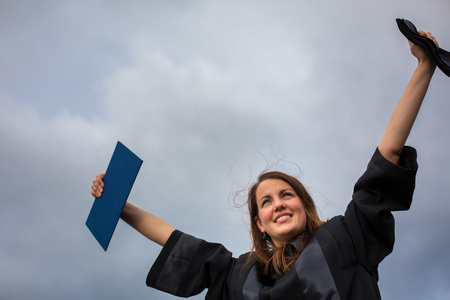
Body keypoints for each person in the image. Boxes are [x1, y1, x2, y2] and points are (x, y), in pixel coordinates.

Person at [90, 30, 440, 300]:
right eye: (266, 202)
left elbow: (387, 155)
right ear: (259, 223)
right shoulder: (242, 275)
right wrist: (119, 206)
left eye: (286, 194)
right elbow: (175, 239)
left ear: (303, 204)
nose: (278, 204)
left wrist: (424, 67)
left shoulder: (345, 237)